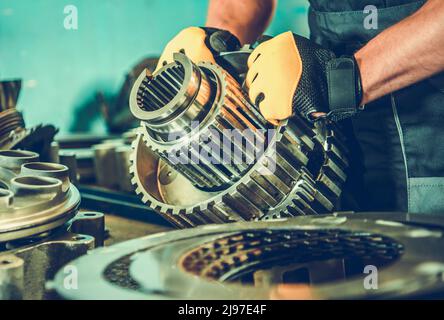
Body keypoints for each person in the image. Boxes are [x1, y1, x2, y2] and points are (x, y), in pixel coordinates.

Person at [156, 0, 444, 214]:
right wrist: (218, 42)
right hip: (333, 124)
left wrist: (344, 78)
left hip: (431, 120)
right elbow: (239, 7)